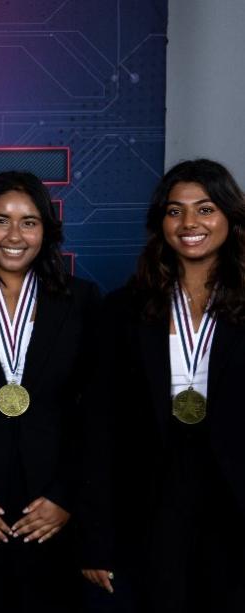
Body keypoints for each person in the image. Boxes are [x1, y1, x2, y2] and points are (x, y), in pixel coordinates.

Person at [80, 159, 245, 612]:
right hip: (151, 507)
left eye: (205, 209)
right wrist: (97, 539)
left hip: (235, 506)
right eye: (175, 211)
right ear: (161, 223)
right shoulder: (123, 311)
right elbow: (99, 431)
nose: (189, 223)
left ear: (230, 216)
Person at [0, 171, 100, 612]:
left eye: (29, 222)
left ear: (46, 231)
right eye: (0, 220)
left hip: (47, 513)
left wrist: (66, 496)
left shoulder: (81, 301)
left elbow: (99, 416)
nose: (15, 235)